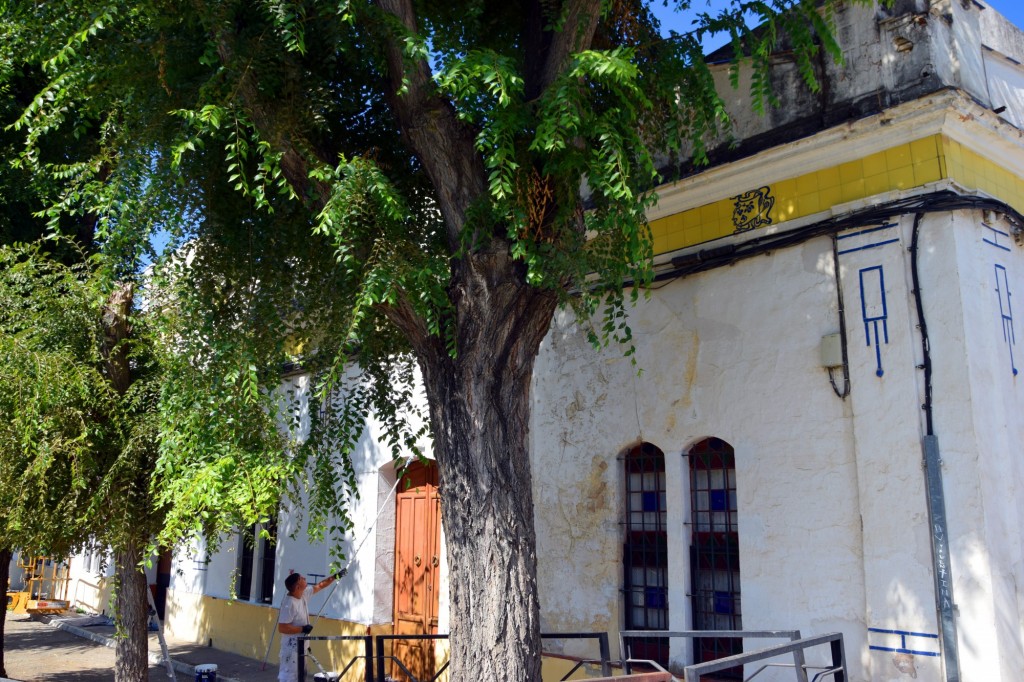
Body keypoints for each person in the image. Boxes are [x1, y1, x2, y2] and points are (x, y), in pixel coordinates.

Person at [277, 571, 337, 682]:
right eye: (301, 578)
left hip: (302, 646)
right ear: (298, 587)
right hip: (291, 649)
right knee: (290, 677)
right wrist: (302, 629)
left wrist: (334, 577)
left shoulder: (303, 594)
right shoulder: (289, 604)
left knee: (301, 676)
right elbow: (282, 628)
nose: (304, 578)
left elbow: (319, 586)